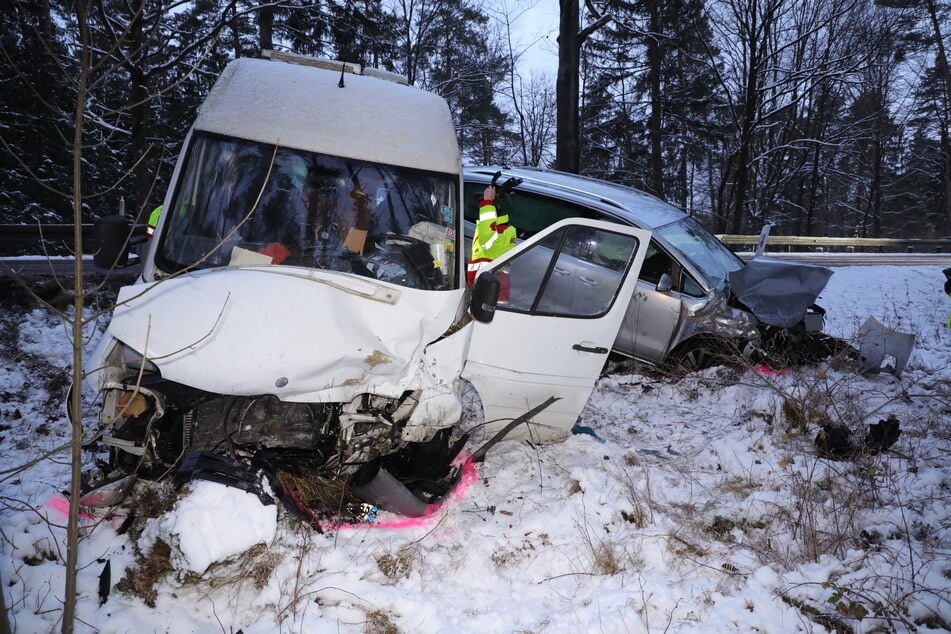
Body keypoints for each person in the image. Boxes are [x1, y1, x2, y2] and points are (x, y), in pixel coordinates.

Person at [466, 185, 517, 287]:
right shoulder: (508, 229)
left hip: (485, 290)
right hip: (490, 288)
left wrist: (487, 202)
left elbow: (486, 239)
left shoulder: (499, 231)